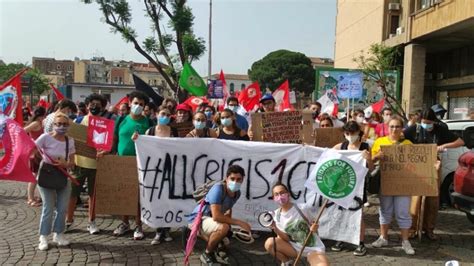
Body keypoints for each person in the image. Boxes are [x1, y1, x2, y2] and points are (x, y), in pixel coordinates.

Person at [403, 108, 464, 240]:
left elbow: (460, 142)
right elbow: (401, 139)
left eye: (429, 122)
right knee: (415, 199)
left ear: (434, 121)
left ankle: (429, 229)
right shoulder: (415, 129)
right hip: (417, 166)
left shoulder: (440, 129)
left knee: (433, 199)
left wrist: (443, 146)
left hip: (434, 165)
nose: (427, 125)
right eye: (425, 122)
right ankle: (412, 228)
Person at [132, 106, 178, 245]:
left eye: (168, 115)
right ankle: (158, 231)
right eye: (163, 113)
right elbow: (144, 147)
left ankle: (167, 228)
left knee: (168, 199)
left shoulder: (174, 131)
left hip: (169, 169)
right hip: (154, 170)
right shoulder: (150, 131)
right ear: (157, 114)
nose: (165, 116)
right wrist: (137, 139)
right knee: (156, 198)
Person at [188, 165, 251, 265]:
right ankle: (207, 253)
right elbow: (217, 216)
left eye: (239, 179)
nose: (235, 182)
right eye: (232, 178)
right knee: (223, 228)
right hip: (198, 219)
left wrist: (228, 229)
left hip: (211, 220)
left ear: (243, 180)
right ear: (227, 178)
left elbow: (228, 209)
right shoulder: (218, 188)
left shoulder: (237, 193)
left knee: (226, 233)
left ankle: (218, 244)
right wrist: (239, 223)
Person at [371, 116, 415, 255]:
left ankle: (405, 241)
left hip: (403, 183)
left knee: (403, 212)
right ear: (387, 127)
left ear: (402, 128)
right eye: (392, 126)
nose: (394, 129)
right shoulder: (379, 142)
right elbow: (371, 162)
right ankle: (383, 237)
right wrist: (377, 156)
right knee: (385, 211)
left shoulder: (408, 144)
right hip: (385, 182)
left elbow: (416, 163)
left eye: (397, 126)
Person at [66, 93, 109, 234]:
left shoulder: (105, 125)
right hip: (78, 164)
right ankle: (68, 220)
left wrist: (104, 152)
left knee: (93, 195)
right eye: (92, 104)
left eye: (98, 105)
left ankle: (91, 222)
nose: (94, 107)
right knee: (73, 194)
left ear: (102, 107)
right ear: (87, 105)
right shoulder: (78, 121)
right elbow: (70, 142)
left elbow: (107, 145)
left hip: (96, 165)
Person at [112, 91, 151, 240]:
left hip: (141, 163)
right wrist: (110, 153)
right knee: (124, 194)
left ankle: (138, 225)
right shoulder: (121, 120)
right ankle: (124, 222)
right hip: (122, 163)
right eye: (136, 103)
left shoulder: (148, 122)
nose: (138, 106)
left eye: (141, 104)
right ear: (129, 104)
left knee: (138, 196)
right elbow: (114, 139)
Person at [331, 121, 373, 256]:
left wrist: (369, 159)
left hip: (359, 186)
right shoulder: (341, 146)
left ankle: (360, 243)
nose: (350, 136)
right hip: (342, 186)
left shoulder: (365, 147)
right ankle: (341, 239)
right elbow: (325, 155)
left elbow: (371, 169)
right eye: (347, 133)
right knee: (341, 213)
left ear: (358, 133)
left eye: (353, 133)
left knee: (358, 215)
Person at [35, 112, 76, 251]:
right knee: (48, 207)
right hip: (46, 174)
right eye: (59, 124)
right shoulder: (45, 137)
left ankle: (59, 234)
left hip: (62, 175)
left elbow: (72, 162)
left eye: (65, 124)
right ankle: (43, 237)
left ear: (68, 126)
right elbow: (32, 149)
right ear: (53, 125)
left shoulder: (69, 141)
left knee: (62, 208)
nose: (62, 126)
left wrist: (66, 164)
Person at [264, 183, 328, 266]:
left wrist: (315, 227)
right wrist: (275, 228)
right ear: (274, 198)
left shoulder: (302, 208)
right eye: (276, 194)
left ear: (288, 194)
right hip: (294, 248)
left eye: (282, 192)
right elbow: (286, 238)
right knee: (269, 243)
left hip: (312, 249)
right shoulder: (277, 215)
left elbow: (314, 222)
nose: (280, 196)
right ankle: (287, 262)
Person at [24, 106, 46, 207]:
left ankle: (33, 196)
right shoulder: (36, 123)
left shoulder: (39, 122)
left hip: (39, 152)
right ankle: (30, 198)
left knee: (37, 176)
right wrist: (31, 141)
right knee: (34, 176)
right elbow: (23, 131)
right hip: (35, 153)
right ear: (41, 115)